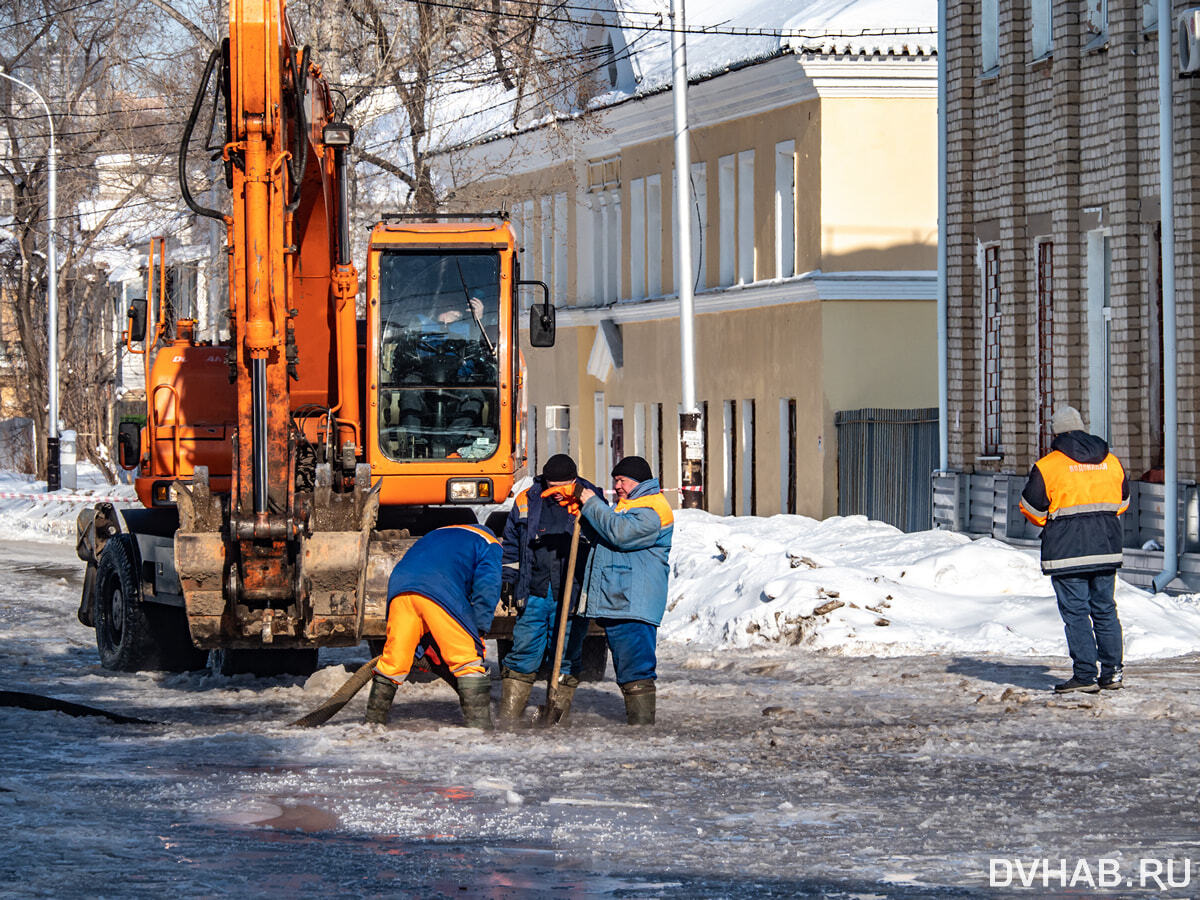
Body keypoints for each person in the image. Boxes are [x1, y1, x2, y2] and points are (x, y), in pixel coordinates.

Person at [1020, 405, 1130, 694]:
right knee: (1106, 610)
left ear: (1055, 432)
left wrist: (1054, 522)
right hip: (1105, 547)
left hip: (1067, 551)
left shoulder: (1048, 465)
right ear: (1082, 427)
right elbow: (1123, 503)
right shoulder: (1112, 461)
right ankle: (1112, 672)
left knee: (1077, 613)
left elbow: (1031, 508)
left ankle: (1085, 675)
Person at [556, 455, 672, 725]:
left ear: (639, 481)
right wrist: (587, 517)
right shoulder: (629, 506)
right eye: (615, 481)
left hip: (634, 601)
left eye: (622, 480)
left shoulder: (652, 510)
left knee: (636, 665)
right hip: (622, 598)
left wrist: (590, 502)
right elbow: (607, 535)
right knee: (628, 664)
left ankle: (642, 726)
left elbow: (620, 533)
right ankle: (638, 722)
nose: (617, 486)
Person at [496, 454, 605, 725]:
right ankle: (510, 719)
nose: (556, 494)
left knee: (567, 652)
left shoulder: (591, 500)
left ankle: (557, 714)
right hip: (534, 589)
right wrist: (508, 577)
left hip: (572, 591)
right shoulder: (527, 499)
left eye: (563, 487)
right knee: (523, 650)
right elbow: (511, 541)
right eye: (552, 487)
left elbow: (606, 535)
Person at [366, 524, 502, 728]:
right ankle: (480, 731)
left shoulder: (435, 534)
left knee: (394, 661)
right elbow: (487, 585)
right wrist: (480, 627)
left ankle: (371, 727)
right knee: (466, 661)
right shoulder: (490, 543)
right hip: (439, 588)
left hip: (401, 587)